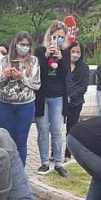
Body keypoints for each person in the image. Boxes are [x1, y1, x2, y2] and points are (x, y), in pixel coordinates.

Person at [0, 31, 41, 166]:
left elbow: (37, 85)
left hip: (25, 105)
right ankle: (7, 170)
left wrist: (22, 77)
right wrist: (4, 77)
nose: (24, 47)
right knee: (7, 140)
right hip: (6, 104)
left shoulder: (33, 61)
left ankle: (20, 171)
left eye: (27, 45)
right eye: (21, 44)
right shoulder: (3, 60)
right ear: (15, 44)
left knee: (21, 140)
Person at [35, 20, 70, 178]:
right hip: (42, 96)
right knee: (43, 130)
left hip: (57, 96)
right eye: (55, 36)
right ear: (49, 36)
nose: (57, 39)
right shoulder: (40, 50)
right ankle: (44, 162)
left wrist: (61, 58)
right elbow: (36, 70)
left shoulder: (66, 52)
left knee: (57, 130)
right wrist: (46, 55)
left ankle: (59, 163)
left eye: (61, 37)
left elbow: (65, 73)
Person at [64, 42, 90, 161]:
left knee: (71, 128)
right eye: (73, 51)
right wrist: (64, 96)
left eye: (78, 52)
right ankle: (54, 152)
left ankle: (68, 153)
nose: (75, 54)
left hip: (76, 102)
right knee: (57, 129)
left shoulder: (84, 68)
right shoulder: (62, 65)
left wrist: (71, 97)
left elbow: (83, 86)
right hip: (61, 100)